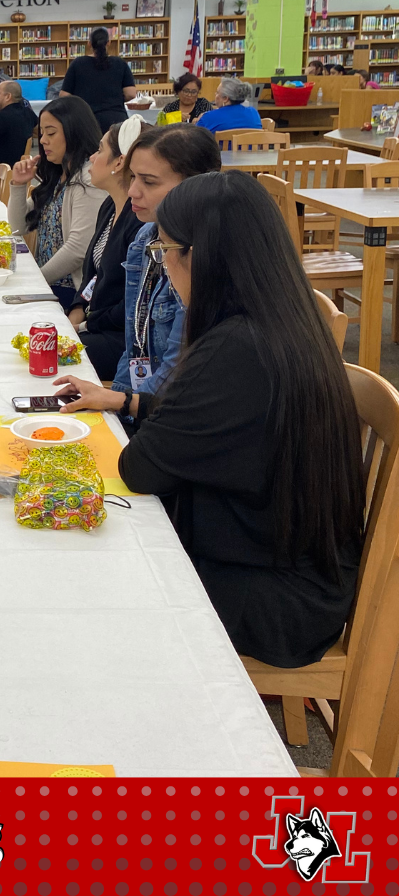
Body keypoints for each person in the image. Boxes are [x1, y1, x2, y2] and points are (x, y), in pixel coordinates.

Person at [115, 171, 365, 668]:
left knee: (101, 581)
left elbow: (140, 468)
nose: (162, 266)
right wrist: (130, 404)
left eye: (165, 250)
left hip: (276, 600)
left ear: (202, 256)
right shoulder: (280, 315)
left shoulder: (235, 347)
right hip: (293, 562)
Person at [54, 123, 222, 417]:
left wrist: (121, 405)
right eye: (133, 178)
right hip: (140, 406)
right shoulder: (146, 239)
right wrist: (113, 400)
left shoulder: (200, 259)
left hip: (167, 418)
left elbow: (172, 377)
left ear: (195, 186)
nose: (132, 190)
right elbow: (135, 344)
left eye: (149, 181)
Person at [66, 117, 145, 379]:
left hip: (119, 335)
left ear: (119, 162)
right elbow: (94, 274)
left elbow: (133, 303)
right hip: (96, 323)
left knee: (48, 355)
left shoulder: (140, 221)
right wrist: (78, 308)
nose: (92, 156)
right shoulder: (110, 207)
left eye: (100, 150)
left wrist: (86, 324)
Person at [7, 96, 105, 309]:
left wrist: (35, 281)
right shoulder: (59, 175)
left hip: (70, 292)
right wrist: (18, 185)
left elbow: (78, 249)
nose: (42, 141)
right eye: (42, 133)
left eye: (51, 133)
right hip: (49, 282)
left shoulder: (89, 178)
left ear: (74, 133)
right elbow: (17, 227)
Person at [60, 28, 137, 133]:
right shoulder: (120, 63)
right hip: (116, 121)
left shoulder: (77, 64)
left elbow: (64, 95)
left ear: (89, 44)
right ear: (109, 43)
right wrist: (114, 98)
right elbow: (131, 94)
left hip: (85, 121)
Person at [194, 78, 263, 135]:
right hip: (251, 151)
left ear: (225, 99)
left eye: (217, 92)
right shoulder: (253, 113)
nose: (215, 95)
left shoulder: (208, 117)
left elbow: (194, 138)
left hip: (221, 151)